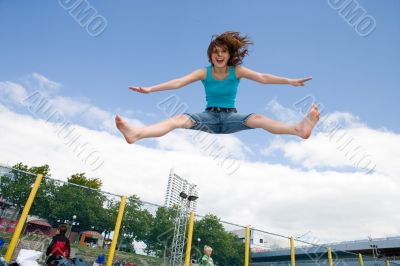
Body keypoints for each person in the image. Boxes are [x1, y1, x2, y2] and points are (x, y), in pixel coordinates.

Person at [115, 31, 320, 143]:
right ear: (210, 55)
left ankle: (298, 129)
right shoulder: (203, 72)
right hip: (209, 119)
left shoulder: (237, 71)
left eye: (223, 51)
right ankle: (136, 134)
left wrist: (289, 81)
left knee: (258, 119)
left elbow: (263, 77)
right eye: (215, 51)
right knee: (178, 119)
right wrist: (151, 89)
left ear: (229, 55)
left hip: (231, 118)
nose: (219, 55)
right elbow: (178, 82)